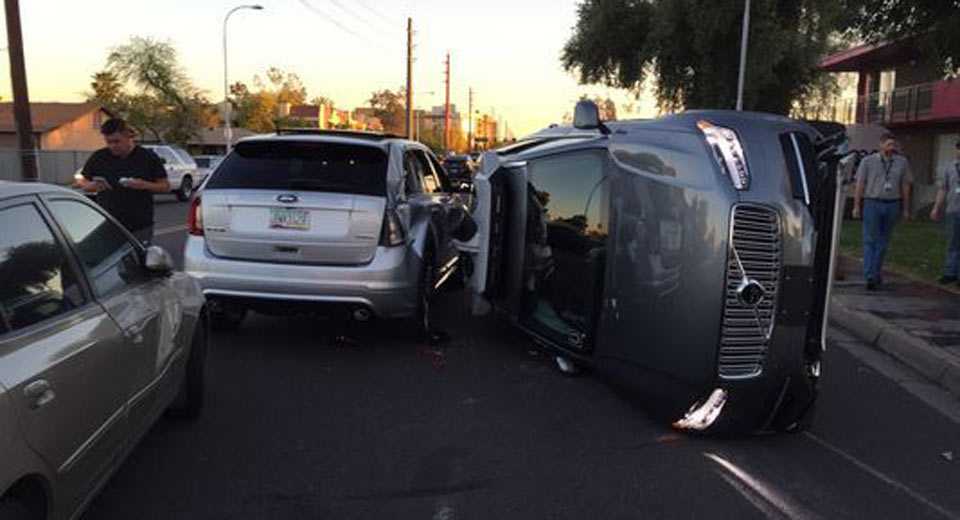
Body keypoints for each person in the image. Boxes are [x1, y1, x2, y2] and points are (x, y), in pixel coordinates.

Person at [77, 118, 169, 243]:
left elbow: (165, 186)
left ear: (128, 136)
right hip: (107, 223)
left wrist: (144, 185)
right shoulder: (99, 157)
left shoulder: (147, 157)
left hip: (139, 226)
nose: (112, 146)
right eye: (108, 142)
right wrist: (90, 186)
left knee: (138, 260)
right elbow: (82, 180)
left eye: (116, 141)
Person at [851, 133, 913, 290]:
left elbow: (905, 186)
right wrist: (857, 205)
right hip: (872, 203)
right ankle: (870, 275)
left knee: (883, 242)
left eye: (893, 145)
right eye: (888, 144)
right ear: (881, 145)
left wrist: (905, 208)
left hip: (892, 203)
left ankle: (876, 272)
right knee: (870, 240)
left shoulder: (901, 162)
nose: (891, 148)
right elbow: (860, 184)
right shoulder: (868, 161)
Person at [930, 140, 960, 284]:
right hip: (953, 210)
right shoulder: (950, 167)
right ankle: (950, 272)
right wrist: (936, 207)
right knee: (952, 242)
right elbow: (943, 189)